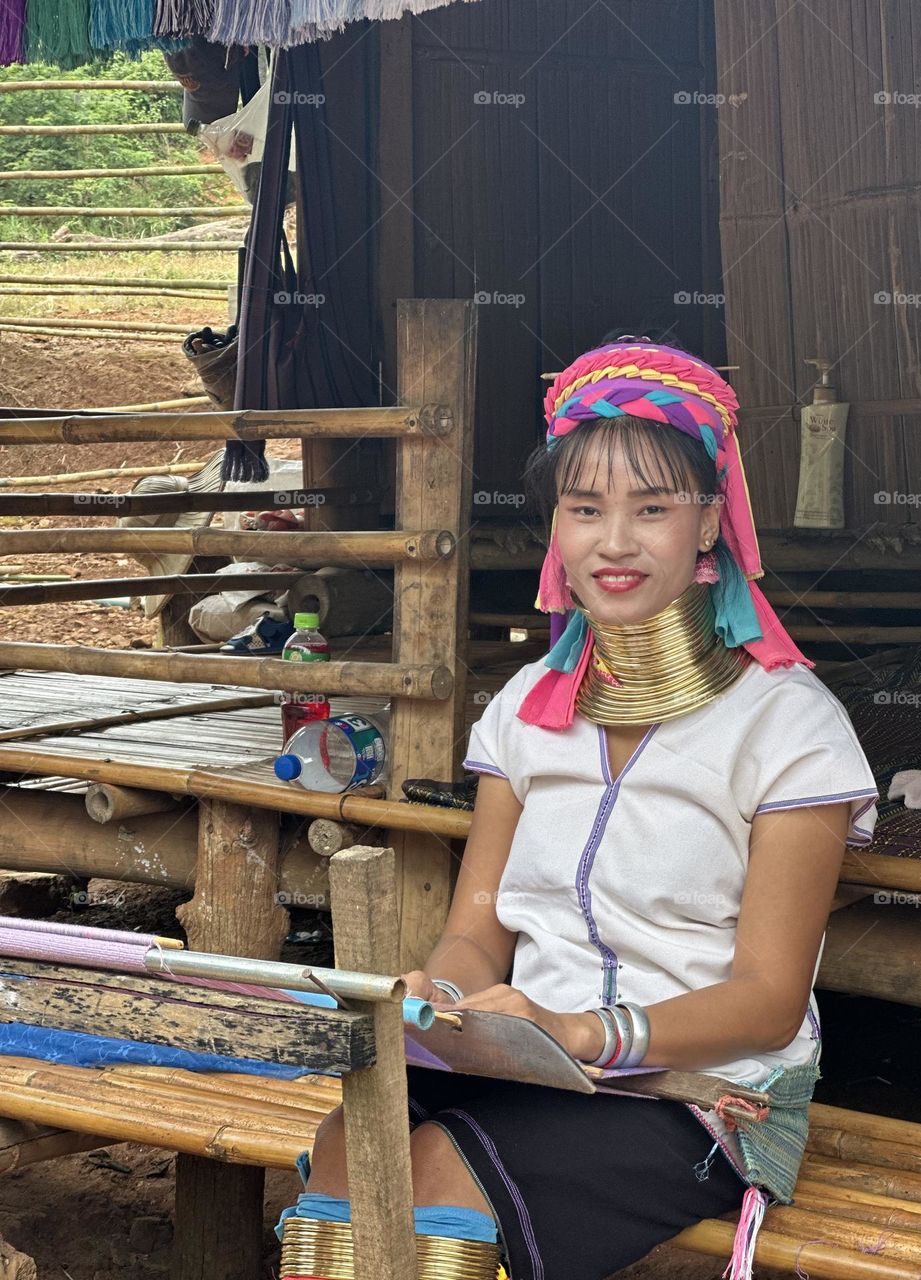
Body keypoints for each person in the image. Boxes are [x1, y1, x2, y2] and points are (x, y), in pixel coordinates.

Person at [274, 337, 880, 1280]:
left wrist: (587, 1035)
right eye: (586, 509)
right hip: (523, 1063)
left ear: (712, 521)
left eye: (654, 509)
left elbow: (767, 1001)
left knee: (436, 1177)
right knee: (351, 1144)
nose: (616, 541)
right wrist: (444, 996)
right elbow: (477, 932)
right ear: (557, 526)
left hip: (702, 1095)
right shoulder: (525, 709)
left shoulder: (789, 727)